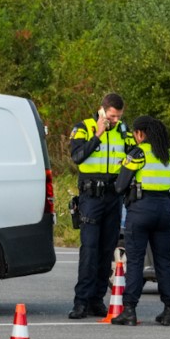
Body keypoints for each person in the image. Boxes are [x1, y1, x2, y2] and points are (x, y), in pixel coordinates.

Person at [67, 93, 131, 319]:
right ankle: (81, 302)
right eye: (112, 116)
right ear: (102, 110)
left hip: (113, 197)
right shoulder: (84, 127)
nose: (115, 120)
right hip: (91, 198)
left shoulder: (124, 131)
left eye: (119, 117)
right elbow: (77, 157)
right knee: (90, 250)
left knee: (107, 251)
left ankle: (97, 300)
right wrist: (98, 135)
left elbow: (135, 154)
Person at [112, 115, 170, 327]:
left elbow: (120, 185)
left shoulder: (139, 153)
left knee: (135, 261)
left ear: (141, 133)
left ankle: (130, 309)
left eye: (135, 133)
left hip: (141, 211)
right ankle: (169, 309)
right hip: (165, 212)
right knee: (163, 261)